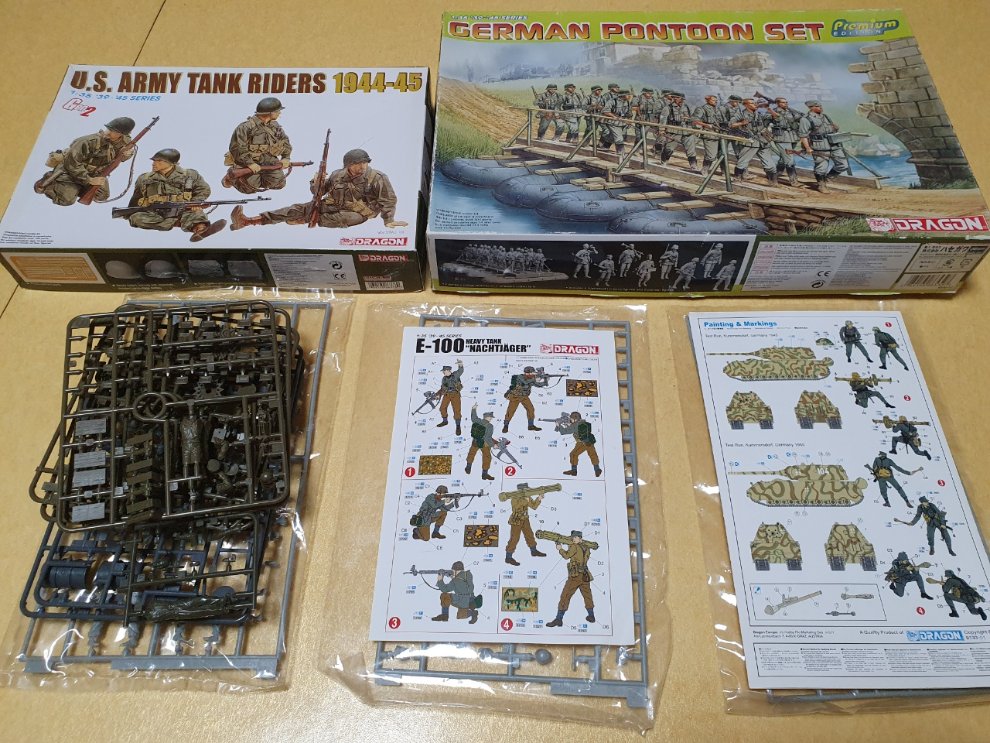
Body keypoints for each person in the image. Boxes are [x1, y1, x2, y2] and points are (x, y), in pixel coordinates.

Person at [230, 148, 407, 229]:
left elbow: (388, 200)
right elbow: (319, 193)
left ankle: (304, 220)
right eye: (358, 163)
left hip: (358, 213)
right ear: (348, 165)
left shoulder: (377, 177)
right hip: (332, 205)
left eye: (364, 163)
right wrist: (317, 182)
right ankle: (249, 221)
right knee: (296, 209)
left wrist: (388, 220)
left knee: (347, 218)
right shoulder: (338, 174)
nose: (362, 166)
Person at [125, 149, 226, 241]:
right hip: (156, 213)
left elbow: (204, 189)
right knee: (136, 218)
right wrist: (128, 213)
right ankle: (180, 223)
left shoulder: (190, 174)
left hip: (183, 210)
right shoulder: (144, 178)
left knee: (196, 213)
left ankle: (201, 230)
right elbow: (136, 197)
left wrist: (196, 202)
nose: (154, 163)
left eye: (159, 161)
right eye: (154, 161)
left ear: (171, 163)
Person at [35, 116, 135, 205]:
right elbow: (72, 164)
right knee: (66, 200)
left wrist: (127, 154)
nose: (108, 132)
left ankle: (75, 188)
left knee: (102, 195)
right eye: (109, 128)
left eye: (114, 131)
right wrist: (89, 180)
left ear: (122, 134)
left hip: (94, 173)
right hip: (70, 172)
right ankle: (51, 183)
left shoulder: (125, 142)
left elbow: (120, 158)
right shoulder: (86, 141)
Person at [223, 97, 293, 193]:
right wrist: (250, 163)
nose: (279, 113)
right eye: (277, 111)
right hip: (247, 162)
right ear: (269, 113)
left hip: (269, 161)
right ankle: (230, 177)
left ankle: (259, 178)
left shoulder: (275, 126)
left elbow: (285, 142)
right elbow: (237, 148)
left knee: (279, 184)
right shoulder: (245, 127)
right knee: (248, 189)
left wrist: (286, 157)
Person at [546, 531, 596, 627]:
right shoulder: (587, 547)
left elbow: (566, 556)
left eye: (575, 537)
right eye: (573, 537)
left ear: (580, 538)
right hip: (585, 575)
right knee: (587, 596)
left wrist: (560, 549)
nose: (573, 539)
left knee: (565, 595)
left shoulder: (574, 546)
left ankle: (558, 619)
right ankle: (591, 616)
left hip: (575, 576)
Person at [798, 100, 848, 194]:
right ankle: (821, 185)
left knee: (843, 164)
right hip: (819, 146)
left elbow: (832, 129)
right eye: (817, 106)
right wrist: (808, 148)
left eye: (820, 106)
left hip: (833, 145)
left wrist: (835, 128)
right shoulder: (805, 119)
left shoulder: (825, 116)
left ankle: (827, 178)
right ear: (811, 108)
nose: (820, 107)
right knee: (821, 167)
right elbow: (803, 136)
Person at [729, 98, 779, 184]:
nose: (755, 104)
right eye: (752, 103)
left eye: (755, 103)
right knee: (742, 162)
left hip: (763, 141)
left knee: (770, 164)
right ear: (746, 105)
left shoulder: (759, 114)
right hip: (750, 142)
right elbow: (731, 124)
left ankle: (773, 181)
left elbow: (776, 117)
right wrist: (741, 123)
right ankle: (737, 178)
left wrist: (769, 109)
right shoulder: (740, 114)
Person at [502, 483, 548, 566]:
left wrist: (539, 498)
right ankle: (508, 557)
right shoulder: (514, 497)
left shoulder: (527, 496)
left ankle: (533, 551)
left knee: (529, 535)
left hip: (525, 519)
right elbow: (516, 507)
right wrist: (525, 500)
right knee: (514, 538)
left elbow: (534, 506)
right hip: (516, 520)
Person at [768, 97, 804, 186]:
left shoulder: (791, 111)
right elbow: (765, 122)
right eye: (783, 102)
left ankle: (775, 174)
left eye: (786, 102)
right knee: (789, 159)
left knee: (784, 158)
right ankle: (794, 181)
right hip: (781, 137)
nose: (786, 104)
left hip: (793, 137)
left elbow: (802, 117)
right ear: (777, 103)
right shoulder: (773, 111)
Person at [556, 411, 601, 476]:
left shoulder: (575, 425)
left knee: (573, 454)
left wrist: (558, 425)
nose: (570, 420)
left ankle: (574, 471)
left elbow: (564, 432)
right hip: (589, 441)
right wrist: (568, 425)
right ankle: (597, 469)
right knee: (592, 454)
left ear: (575, 419)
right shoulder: (582, 423)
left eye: (571, 419)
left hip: (581, 443)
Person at [503, 367, 547, 432]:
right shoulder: (520, 377)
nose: (532, 374)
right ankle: (505, 426)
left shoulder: (531, 379)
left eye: (533, 373)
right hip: (515, 396)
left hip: (524, 396)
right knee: (510, 411)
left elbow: (538, 384)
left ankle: (531, 425)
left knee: (531, 409)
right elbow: (525, 382)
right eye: (531, 373)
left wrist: (545, 381)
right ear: (526, 373)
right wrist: (536, 378)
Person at [466, 404, 496, 481]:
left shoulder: (478, 421)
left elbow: (473, 417)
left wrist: (473, 409)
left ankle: (468, 467)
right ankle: (484, 474)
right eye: (490, 417)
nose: (491, 419)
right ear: (487, 417)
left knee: (471, 453)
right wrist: (493, 445)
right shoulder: (490, 426)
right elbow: (488, 438)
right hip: (484, 444)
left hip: (475, 441)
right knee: (487, 457)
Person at [436, 360, 464, 434]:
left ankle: (458, 426)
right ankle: (445, 421)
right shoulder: (444, 378)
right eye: (443, 371)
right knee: (442, 408)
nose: (443, 372)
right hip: (447, 395)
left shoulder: (455, 375)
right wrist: (437, 395)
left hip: (455, 395)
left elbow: (460, 371)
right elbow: (442, 388)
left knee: (457, 410)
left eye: (444, 371)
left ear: (448, 371)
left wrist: (460, 365)